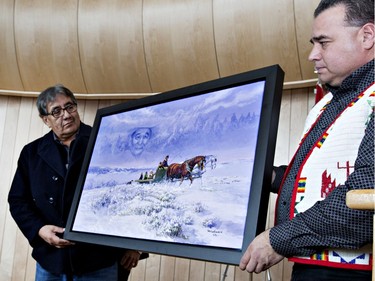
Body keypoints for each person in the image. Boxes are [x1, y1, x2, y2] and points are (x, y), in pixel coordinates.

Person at [239, 0, 374, 280]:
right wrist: (266, 177)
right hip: (310, 264)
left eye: (323, 42)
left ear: (367, 36)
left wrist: (278, 239)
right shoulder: (326, 104)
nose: (313, 55)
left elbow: (368, 191)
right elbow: (316, 181)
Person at [8, 85, 144, 280]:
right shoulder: (31, 153)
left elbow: (130, 193)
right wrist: (39, 229)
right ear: (46, 120)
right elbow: (18, 201)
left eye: (70, 107)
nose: (66, 115)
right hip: (51, 259)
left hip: (100, 257)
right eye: (56, 111)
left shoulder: (105, 141)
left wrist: (135, 246)